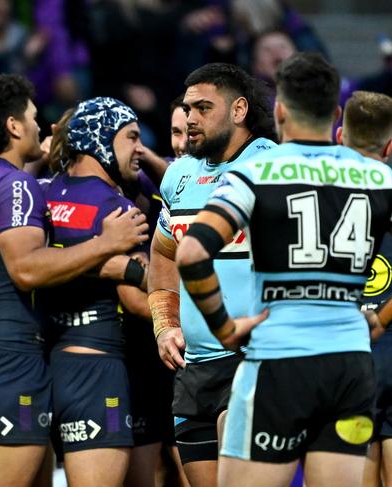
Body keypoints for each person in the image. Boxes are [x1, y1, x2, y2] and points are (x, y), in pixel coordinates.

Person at [176, 52, 387, 487]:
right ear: (334, 114)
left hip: (277, 361)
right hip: (349, 364)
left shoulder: (255, 173)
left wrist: (226, 329)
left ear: (279, 110)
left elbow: (192, 253)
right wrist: (375, 315)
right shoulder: (377, 176)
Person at [0, 75, 149, 487]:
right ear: (12, 126)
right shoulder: (19, 184)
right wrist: (107, 249)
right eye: (31, 117)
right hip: (18, 359)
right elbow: (25, 269)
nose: (41, 127)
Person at [147, 63, 277, 487]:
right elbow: (163, 255)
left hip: (256, 360)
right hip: (194, 369)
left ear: (239, 109)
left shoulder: (274, 167)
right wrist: (165, 325)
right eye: (187, 109)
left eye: (203, 107)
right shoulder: (178, 176)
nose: (190, 119)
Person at [39, 96, 152, 487]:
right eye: (132, 137)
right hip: (96, 368)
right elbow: (137, 303)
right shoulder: (117, 209)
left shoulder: (38, 193)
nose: (140, 148)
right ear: (101, 139)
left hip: (38, 366)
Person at [335, 90, 392, 487]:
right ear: (391, 146)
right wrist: (381, 321)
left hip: (339, 352)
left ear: (339, 137)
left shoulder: (312, 190)